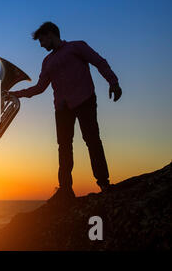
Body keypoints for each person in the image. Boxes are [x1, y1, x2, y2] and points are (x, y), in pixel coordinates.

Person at [10, 22, 122, 205]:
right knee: (64, 147)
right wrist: (16, 94)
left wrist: (113, 82)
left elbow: (99, 62)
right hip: (62, 109)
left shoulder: (77, 46)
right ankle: (65, 190)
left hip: (85, 100)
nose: (41, 45)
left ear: (51, 34)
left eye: (42, 40)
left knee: (92, 141)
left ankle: (104, 184)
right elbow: (39, 88)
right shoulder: (46, 62)